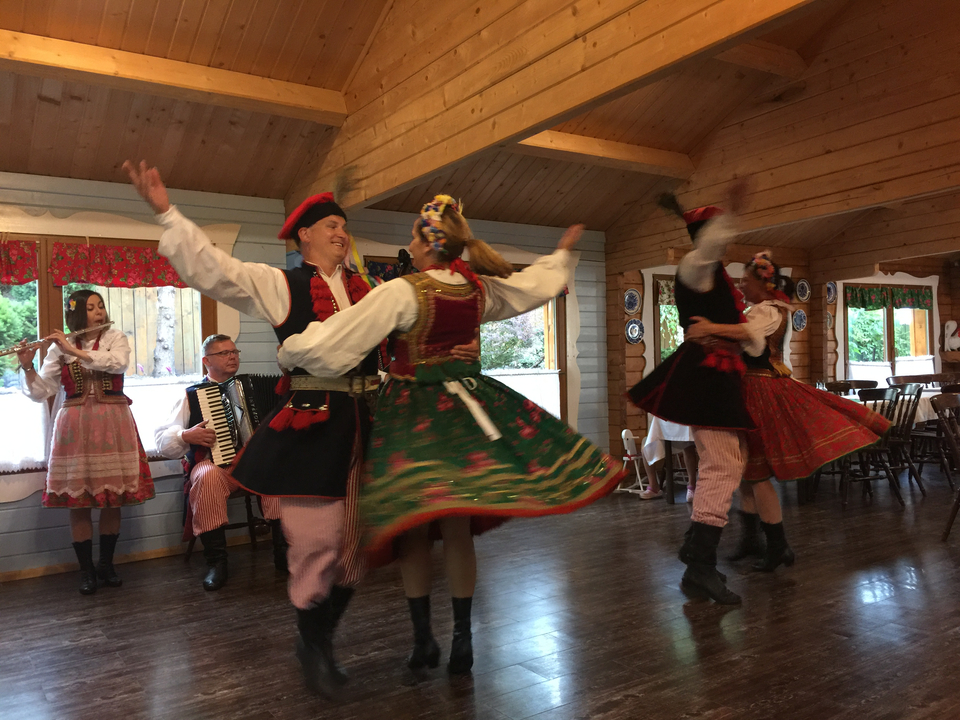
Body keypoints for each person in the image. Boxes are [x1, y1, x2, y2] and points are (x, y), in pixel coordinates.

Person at [123, 161, 475, 698]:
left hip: (365, 423)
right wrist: (167, 212)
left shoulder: (375, 288)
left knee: (356, 548)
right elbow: (215, 268)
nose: (341, 233)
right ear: (304, 235)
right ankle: (315, 646)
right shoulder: (280, 283)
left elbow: (424, 324)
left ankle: (317, 639)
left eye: (344, 226)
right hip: (312, 426)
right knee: (317, 540)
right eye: (330, 225)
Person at [278, 194, 626, 677]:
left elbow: (343, 337)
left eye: (413, 236)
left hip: (416, 418)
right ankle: (463, 642)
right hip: (468, 415)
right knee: (458, 530)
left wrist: (294, 350)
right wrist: (562, 255)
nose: (407, 244)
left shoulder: (405, 291)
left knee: (415, 530)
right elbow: (532, 287)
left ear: (427, 243)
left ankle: (425, 641)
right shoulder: (475, 288)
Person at [686, 251, 891, 572]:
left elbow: (750, 337)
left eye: (746, 280)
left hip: (761, 392)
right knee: (748, 473)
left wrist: (713, 327)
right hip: (753, 390)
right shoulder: (765, 309)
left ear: (763, 283)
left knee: (757, 473)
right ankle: (754, 540)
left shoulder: (767, 310)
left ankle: (778, 545)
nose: (741, 285)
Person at [627, 182, 753, 605]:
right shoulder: (695, 267)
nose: (727, 245)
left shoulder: (715, 275)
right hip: (706, 374)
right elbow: (710, 246)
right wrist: (731, 214)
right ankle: (699, 562)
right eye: (722, 236)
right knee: (722, 463)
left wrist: (737, 334)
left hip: (721, 374)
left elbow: (752, 336)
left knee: (727, 463)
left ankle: (698, 551)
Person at [16, 290, 155, 595]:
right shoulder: (59, 349)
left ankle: (107, 564)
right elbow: (42, 391)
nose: (99, 312)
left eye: (101, 306)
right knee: (79, 502)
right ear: (77, 314)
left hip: (113, 423)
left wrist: (74, 351)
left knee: (111, 498)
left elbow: (117, 364)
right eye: (91, 308)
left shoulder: (116, 337)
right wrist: (28, 366)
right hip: (75, 426)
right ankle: (87, 571)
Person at [155, 333, 286, 591]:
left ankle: (283, 552)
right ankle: (217, 562)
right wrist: (185, 434)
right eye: (224, 353)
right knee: (207, 477)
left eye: (234, 352)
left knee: (277, 469)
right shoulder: (191, 395)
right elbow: (162, 440)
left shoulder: (255, 386)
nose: (232, 357)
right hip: (215, 465)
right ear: (207, 361)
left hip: (252, 464)